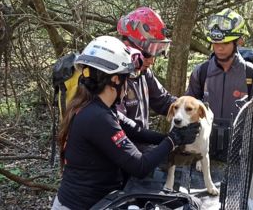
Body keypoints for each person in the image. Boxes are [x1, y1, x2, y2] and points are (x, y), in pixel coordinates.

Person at [52, 36, 200, 210]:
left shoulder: (98, 107)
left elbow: (135, 130)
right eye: (127, 78)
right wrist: (173, 140)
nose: (129, 84)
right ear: (116, 80)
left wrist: (172, 137)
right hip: (81, 205)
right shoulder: (97, 117)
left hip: (97, 201)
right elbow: (139, 166)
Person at [186, 8, 253, 162]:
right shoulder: (201, 72)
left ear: (239, 41)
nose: (219, 48)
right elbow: (186, 111)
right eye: (215, 43)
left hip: (240, 158)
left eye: (225, 43)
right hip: (202, 154)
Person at [116, 7, 176, 130]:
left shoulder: (142, 72)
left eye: (156, 51)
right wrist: (167, 142)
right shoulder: (112, 78)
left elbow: (164, 102)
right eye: (148, 52)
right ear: (128, 46)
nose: (152, 60)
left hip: (141, 145)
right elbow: (121, 127)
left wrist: (190, 107)